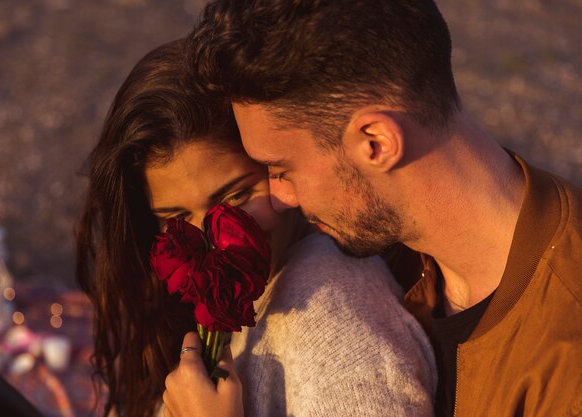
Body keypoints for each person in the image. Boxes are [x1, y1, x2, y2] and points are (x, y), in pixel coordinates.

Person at [163, 1, 582, 416]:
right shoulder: (394, 247)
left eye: (281, 168)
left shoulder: (565, 369)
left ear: (376, 143)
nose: (279, 198)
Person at [75, 40, 437, 417]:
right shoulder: (224, 305)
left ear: (277, 169)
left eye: (235, 197)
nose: (210, 242)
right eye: (177, 218)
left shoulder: (332, 313)